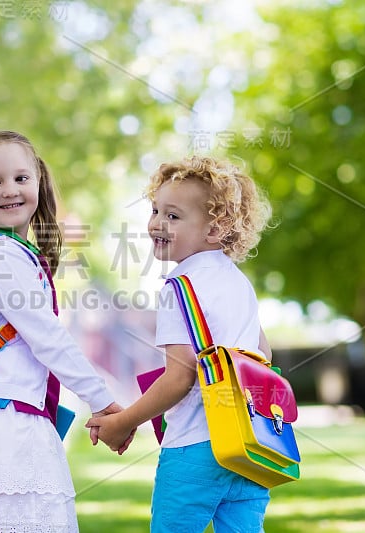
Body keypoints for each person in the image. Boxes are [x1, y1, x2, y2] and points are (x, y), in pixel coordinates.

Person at [0, 130, 123, 533]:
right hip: (2, 436)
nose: (10, 190)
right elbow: (48, 338)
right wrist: (104, 403)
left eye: (21, 178)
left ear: (38, 180)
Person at [86, 155, 274, 533]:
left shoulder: (180, 287)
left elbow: (180, 377)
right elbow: (263, 357)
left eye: (173, 216)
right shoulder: (240, 284)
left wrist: (124, 422)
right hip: (251, 446)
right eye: (156, 210)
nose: (157, 223)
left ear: (215, 229)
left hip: (195, 447)